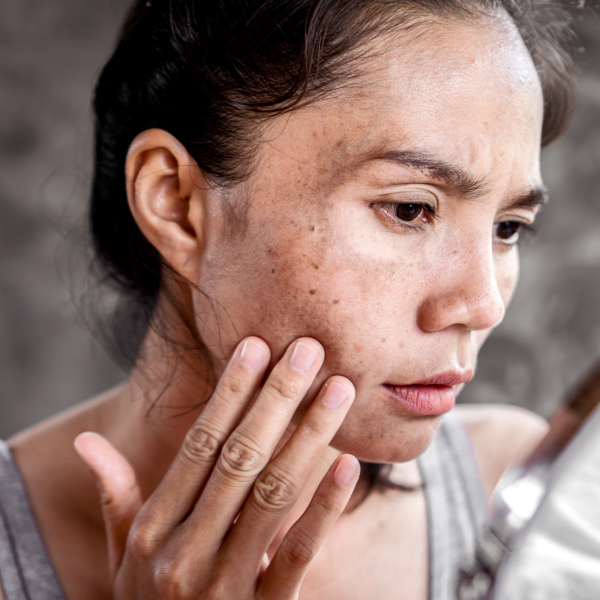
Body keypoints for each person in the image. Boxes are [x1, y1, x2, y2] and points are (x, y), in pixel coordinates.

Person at [0, 0, 577, 599]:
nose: (484, 306)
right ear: (175, 204)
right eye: (409, 208)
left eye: (509, 227)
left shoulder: (522, 499)